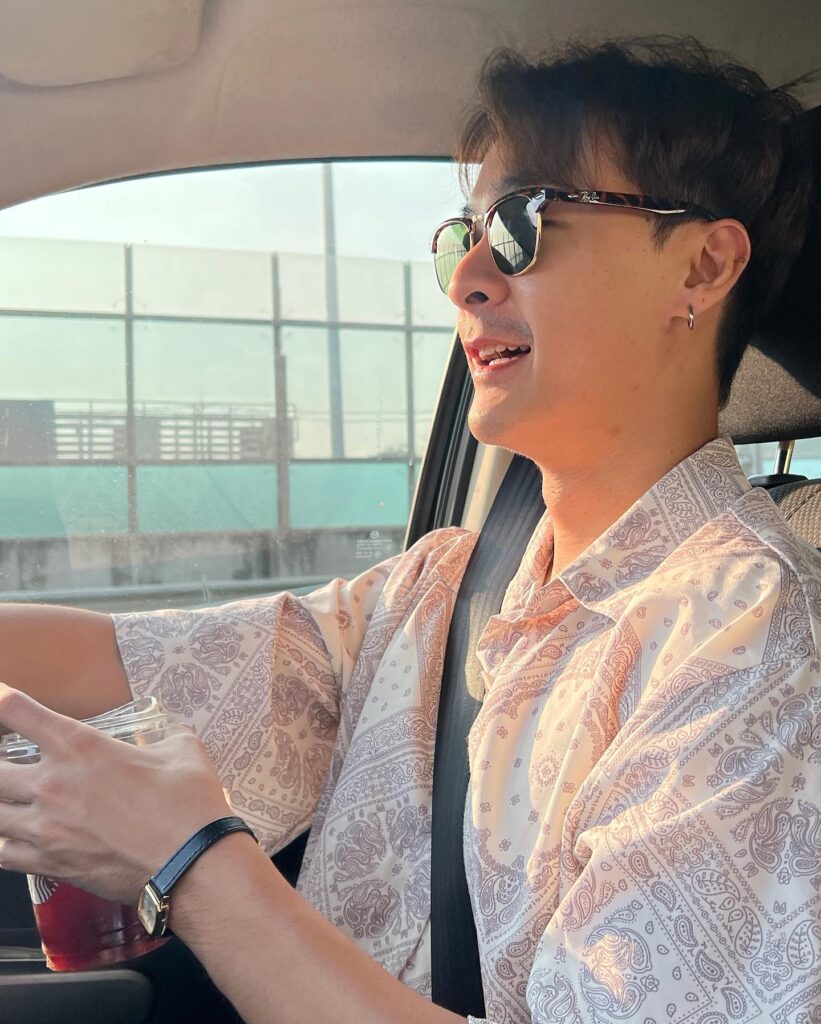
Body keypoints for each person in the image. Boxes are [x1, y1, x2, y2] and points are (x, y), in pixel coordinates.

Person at [1, 35, 820, 1024]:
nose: (466, 276)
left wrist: (194, 863)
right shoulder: (446, 584)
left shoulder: (752, 638)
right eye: (459, 235)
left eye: (521, 223)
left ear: (701, 263)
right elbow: (141, 664)